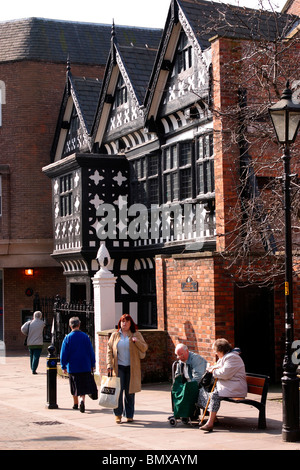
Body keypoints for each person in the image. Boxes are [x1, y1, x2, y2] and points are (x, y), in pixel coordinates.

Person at [198, 338, 247, 432]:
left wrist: (213, 371)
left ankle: (210, 423)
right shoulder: (225, 357)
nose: (216, 353)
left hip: (235, 387)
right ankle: (213, 418)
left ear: (220, 350)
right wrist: (212, 368)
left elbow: (225, 373)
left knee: (214, 395)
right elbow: (219, 367)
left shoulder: (233, 357)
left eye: (216, 351)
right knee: (202, 391)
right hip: (227, 385)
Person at [107, 313, 148, 424]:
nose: (124, 323)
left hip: (131, 367)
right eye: (122, 321)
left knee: (130, 392)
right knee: (118, 392)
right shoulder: (115, 336)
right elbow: (109, 351)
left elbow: (144, 347)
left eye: (126, 321)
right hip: (118, 367)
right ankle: (118, 415)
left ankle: (129, 415)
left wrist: (136, 341)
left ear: (131, 323)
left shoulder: (136, 334)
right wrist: (109, 365)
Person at [60, 316, 96, 413]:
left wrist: (63, 365)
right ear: (79, 325)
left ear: (70, 326)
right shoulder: (85, 337)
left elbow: (64, 353)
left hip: (73, 367)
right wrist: (93, 364)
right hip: (85, 366)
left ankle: (75, 404)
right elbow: (91, 352)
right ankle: (82, 400)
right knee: (83, 386)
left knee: (74, 386)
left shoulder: (67, 338)